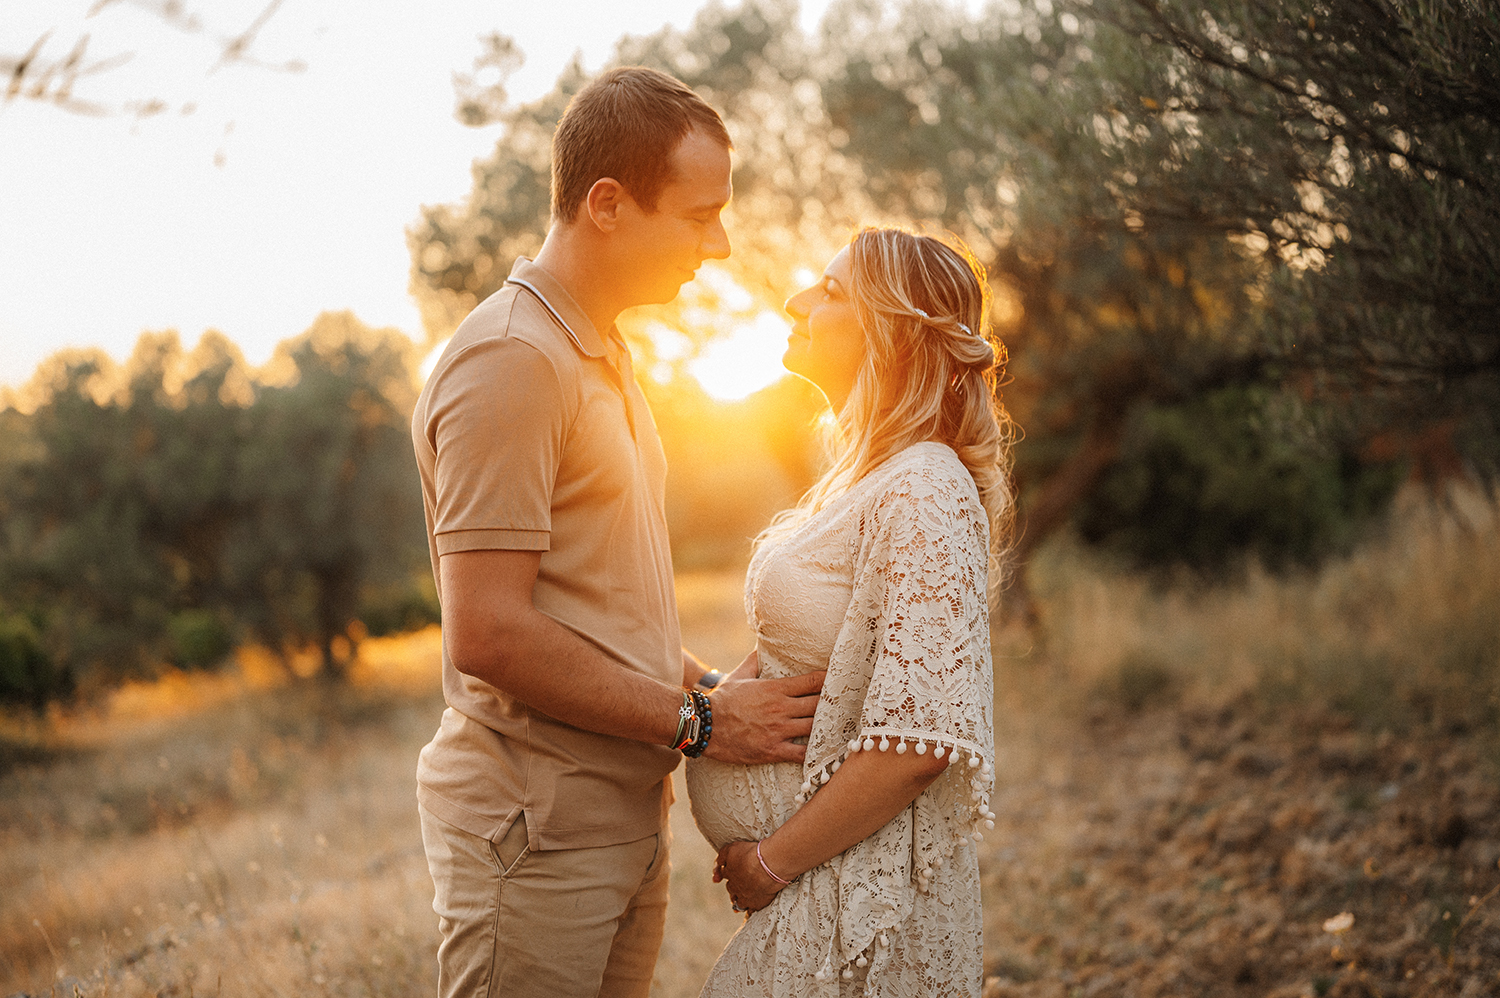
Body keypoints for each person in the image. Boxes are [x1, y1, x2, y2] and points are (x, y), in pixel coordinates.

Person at [410, 66, 823, 998]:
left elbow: (597, 608)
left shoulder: (597, 347)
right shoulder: (513, 360)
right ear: (606, 204)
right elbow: (489, 633)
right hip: (536, 833)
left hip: (619, 820)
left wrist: (713, 687)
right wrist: (704, 723)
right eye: (698, 214)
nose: (719, 244)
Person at [685, 227, 1016, 996]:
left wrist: (768, 862)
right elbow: (803, 664)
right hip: (819, 886)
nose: (798, 301)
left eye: (830, 291)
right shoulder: (865, 480)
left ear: (892, 333)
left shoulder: (927, 487)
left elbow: (919, 742)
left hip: (863, 899)